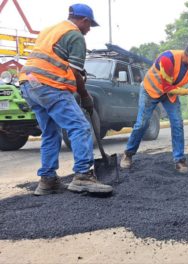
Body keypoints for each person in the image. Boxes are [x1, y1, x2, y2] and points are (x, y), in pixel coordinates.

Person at [18, 4, 113, 195]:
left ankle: (48, 180)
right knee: (79, 126)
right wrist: (85, 96)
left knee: (50, 132)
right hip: (49, 85)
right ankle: (83, 176)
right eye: (89, 26)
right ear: (84, 20)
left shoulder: (50, 30)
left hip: (28, 84)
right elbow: (76, 73)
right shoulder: (75, 34)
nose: (88, 31)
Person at [120, 42, 188, 173]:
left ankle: (180, 160)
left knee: (177, 123)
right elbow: (167, 88)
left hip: (170, 94)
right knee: (143, 123)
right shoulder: (167, 59)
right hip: (151, 91)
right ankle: (128, 154)